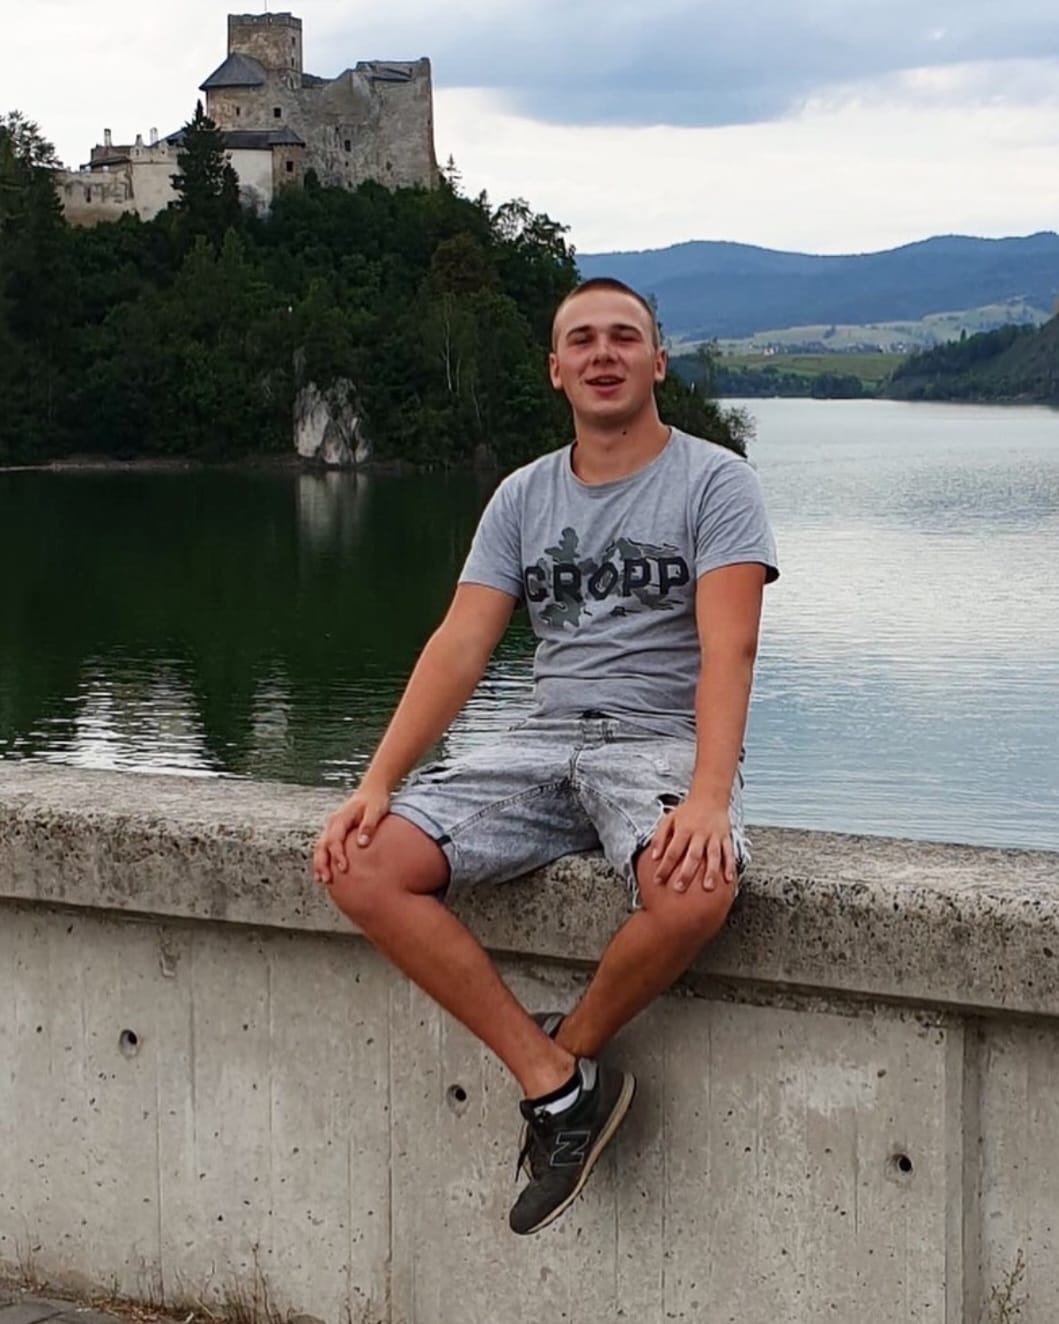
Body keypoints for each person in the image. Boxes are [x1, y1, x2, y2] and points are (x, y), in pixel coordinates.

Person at [312, 277, 779, 1236]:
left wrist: (706, 797)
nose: (603, 353)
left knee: (693, 891)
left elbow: (729, 647)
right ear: (555, 370)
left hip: (657, 742)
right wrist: (377, 780)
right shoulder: (523, 494)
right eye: (582, 340)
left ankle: (569, 1056)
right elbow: (459, 644)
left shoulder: (715, 482)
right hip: (540, 739)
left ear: (657, 362)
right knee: (358, 864)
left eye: (624, 337)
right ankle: (558, 1084)